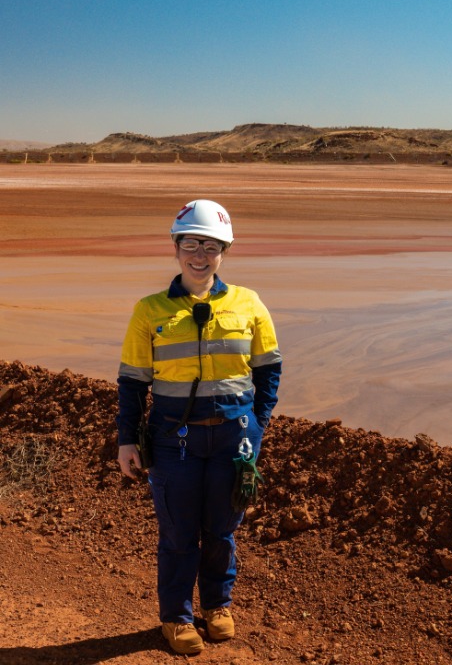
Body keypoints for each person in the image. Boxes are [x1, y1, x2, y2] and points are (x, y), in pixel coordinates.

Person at [116, 199, 282, 655]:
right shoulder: (149, 311)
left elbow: (269, 370)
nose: (199, 254)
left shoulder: (248, 303)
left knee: (222, 528)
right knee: (178, 532)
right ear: (176, 247)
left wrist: (255, 424)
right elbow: (132, 382)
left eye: (210, 245)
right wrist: (127, 438)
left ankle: (217, 606)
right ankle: (176, 617)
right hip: (174, 439)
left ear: (224, 250)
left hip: (234, 435)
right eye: (191, 242)